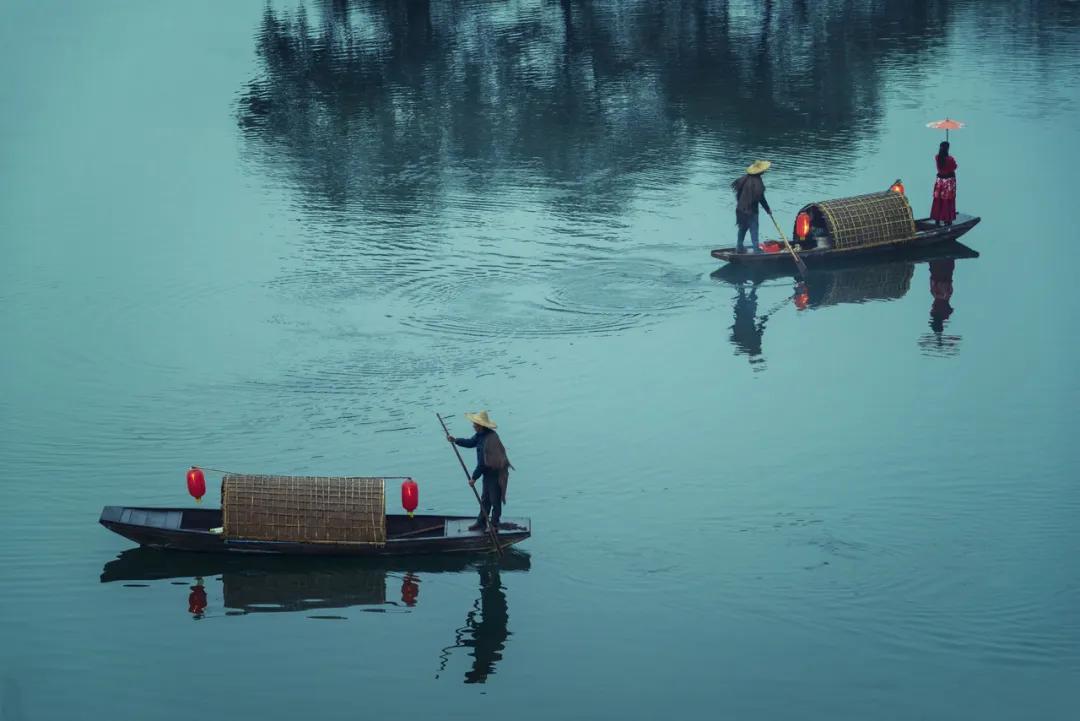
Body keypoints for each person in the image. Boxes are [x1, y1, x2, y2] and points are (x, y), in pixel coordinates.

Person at [447, 411, 513, 532]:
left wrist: (474, 478)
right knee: (485, 498)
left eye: (475, 425)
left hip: (495, 472)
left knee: (495, 499)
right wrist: (456, 440)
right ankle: (481, 522)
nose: (473, 426)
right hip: (487, 472)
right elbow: (471, 442)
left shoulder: (490, 439)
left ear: (481, 426)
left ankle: (494, 525)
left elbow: (482, 463)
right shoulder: (480, 435)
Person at [731, 160, 773, 253]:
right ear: (760, 171)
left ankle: (739, 247)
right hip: (751, 211)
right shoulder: (758, 183)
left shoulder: (743, 179)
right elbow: (761, 198)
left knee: (742, 228)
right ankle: (756, 250)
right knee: (754, 229)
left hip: (740, 209)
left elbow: (738, 195)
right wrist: (768, 209)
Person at [930, 141, 958, 226]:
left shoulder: (937, 157)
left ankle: (937, 219)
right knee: (948, 200)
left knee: (938, 199)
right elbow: (955, 166)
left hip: (940, 181)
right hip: (948, 182)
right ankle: (947, 220)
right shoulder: (950, 159)